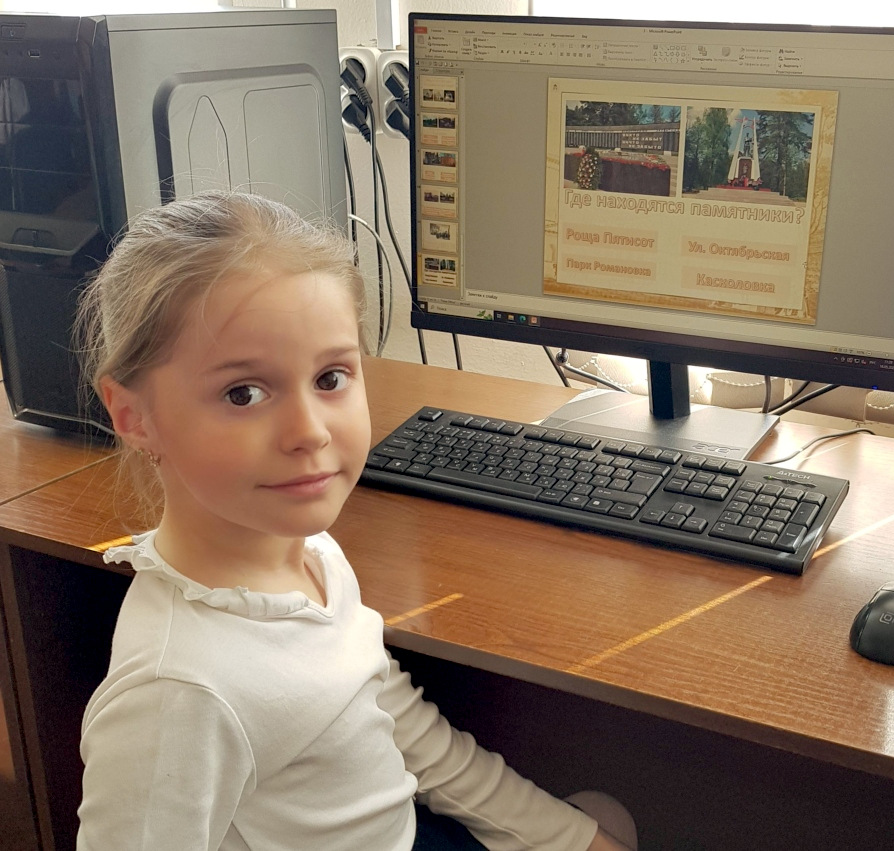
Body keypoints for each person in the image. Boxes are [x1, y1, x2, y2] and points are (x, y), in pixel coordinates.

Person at [74, 191, 637, 851]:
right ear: (134, 415)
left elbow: (393, 717)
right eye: (243, 393)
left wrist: (571, 838)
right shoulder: (178, 693)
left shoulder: (309, 552)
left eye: (331, 378)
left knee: (605, 820)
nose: (309, 431)